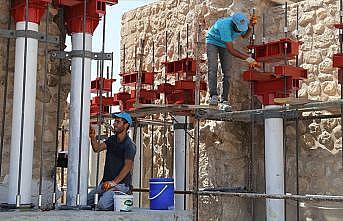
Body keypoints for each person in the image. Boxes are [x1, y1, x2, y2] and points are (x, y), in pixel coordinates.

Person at [206, 12, 258, 110]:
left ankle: (224, 99)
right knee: (213, 68)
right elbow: (231, 50)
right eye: (238, 28)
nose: (239, 30)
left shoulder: (242, 24)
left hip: (225, 44)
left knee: (227, 72)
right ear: (233, 23)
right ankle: (213, 96)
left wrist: (250, 27)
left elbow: (244, 36)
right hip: (213, 41)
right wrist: (248, 58)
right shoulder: (225, 26)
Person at [87, 112, 136, 210]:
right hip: (106, 183)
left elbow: (127, 167)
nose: (114, 124)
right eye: (115, 121)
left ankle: (121, 199)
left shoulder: (129, 145)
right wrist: (92, 137)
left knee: (102, 205)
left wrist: (113, 183)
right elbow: (97, 148)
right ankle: (107, 197)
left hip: (121, 185)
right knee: (86, 202)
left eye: (118, 122)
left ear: (126, 125)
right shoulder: (112, 140)